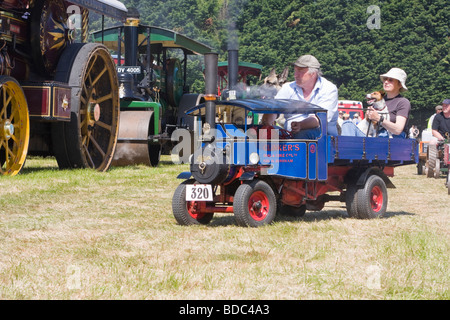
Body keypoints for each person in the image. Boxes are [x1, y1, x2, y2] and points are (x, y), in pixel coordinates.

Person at [261, 54, 338, 138]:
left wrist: (301, 125)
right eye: (295, 71)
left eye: (300, 71)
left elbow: (320, 119)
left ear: (313, 74)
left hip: (323, 136)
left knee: (302, 134)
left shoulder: (329, 89)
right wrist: (267, 123)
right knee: (265, 133)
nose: (295, 75)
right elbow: (275, 109)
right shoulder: (288, 87)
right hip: (292, 134)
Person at [341, 67, 411, 138]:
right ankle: (347, 147)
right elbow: (368, 123)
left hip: (391, 139)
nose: (386, 82)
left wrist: (378, 118)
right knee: (347, 124)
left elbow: (398, 130)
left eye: (390, 80)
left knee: (381, 135)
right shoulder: (378, 100)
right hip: (373, 135)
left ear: (400, 84)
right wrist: (368, 115)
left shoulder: (402, 102)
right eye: (385, 79)